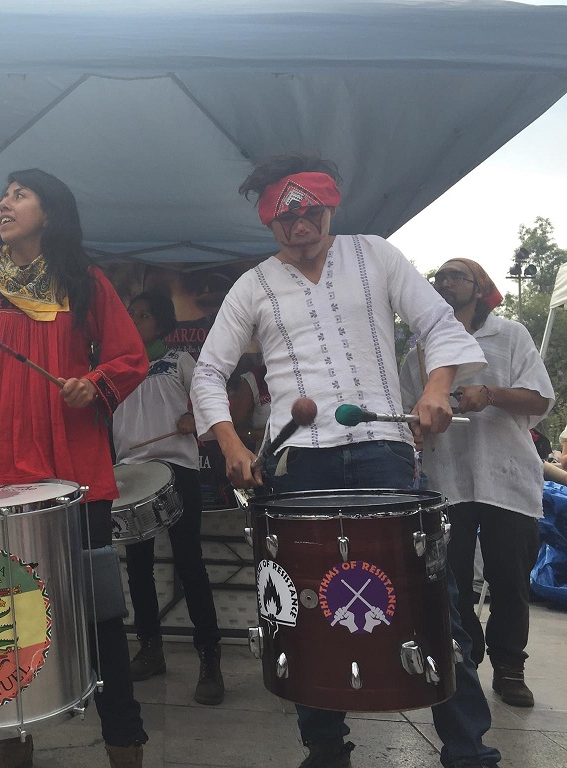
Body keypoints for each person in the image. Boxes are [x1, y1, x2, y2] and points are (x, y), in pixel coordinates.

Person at [190, 154, 501, 768]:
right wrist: (231, 446)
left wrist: (436, 389)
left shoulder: (375, 254)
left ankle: (468, 749)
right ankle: (326, 750)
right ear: (268, 221)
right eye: (285, 218)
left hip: (384, 450)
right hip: (298, 464)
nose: (299, 227)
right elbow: (208, 373)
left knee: (433, 600)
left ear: (331, 206)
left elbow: (439, 325)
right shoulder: (252, 284)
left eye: (310, 212)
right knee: (305, 610)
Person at [0, 169, 148, 768]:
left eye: (20, 195)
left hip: (75, 473)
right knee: (0, 611)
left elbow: (130, 357)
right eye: (3, 196)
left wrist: (93, 383)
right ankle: (12, 738)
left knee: (98, 613)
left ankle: (124, 740)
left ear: (50, 213)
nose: (5, 203)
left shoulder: (84, 281)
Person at [400, 258, 553, 708]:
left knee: (510, 579)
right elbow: (408, 411)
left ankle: (509, 668)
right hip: (447, 479)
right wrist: (417, 424)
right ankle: (464, 656)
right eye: (439, 278)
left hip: (507, 477)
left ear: (479, 286)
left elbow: (540, 398)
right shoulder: (421, 350)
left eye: (456, 276)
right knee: (450, 579)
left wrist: (490, 394)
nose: (445, 283)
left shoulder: (510, 335)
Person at [112, 291, 224, 705]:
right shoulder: (114, 370)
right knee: (138, 568)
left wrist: (196, 417)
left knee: (190, 564)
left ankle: (210, 660)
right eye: (130, 314)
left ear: (161, 323)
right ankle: (150, 649)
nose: (134, 320)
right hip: (130, 475)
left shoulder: (179, 361)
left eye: (143, 315)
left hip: (177, 471)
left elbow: (211, 399)